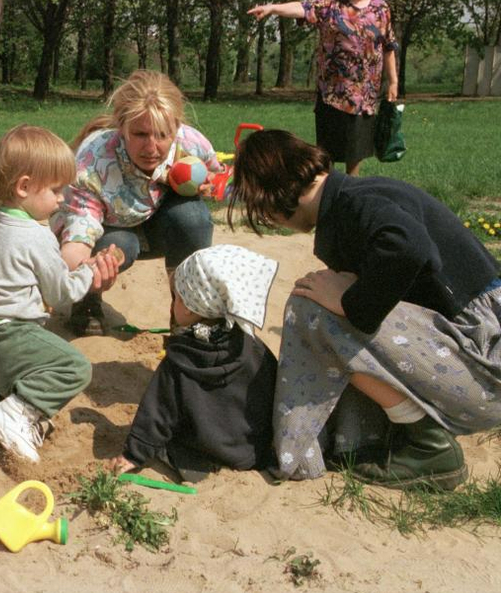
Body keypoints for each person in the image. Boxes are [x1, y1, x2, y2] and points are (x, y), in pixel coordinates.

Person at [229, 129, 501, 491]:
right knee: (329, 302)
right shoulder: (358, 196)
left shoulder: (356, 204)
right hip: (477, 363)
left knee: (312, 309)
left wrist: (349, 302)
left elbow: (410, 248)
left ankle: (429, 445)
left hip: (485, 373)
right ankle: (376, 434)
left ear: (273, 194)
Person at [0, 125, 119, 463]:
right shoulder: (36, 235)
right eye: (56, 190)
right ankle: (15, 418)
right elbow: (61, 294)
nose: (61, 199)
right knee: (75, 368)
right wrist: (89, 271)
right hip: (14, 334)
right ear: (24, 187)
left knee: (12, 391)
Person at [50, 70, 221, 336]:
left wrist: (211, 185)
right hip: (107, 233)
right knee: (122, 244)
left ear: (176, 127)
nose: (151, 148)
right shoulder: (92, 165)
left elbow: (220, 177)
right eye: (140, 134)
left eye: (162, 135)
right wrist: (80, 273)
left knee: (193, 217)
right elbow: (79, 238)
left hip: (154, 223)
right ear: (121, 127)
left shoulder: (191, 143)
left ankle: (186, 310)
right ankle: (85, 300)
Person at [108, 245, 279, 482]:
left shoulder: (180, 359)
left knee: (169, 441)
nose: (173, 304)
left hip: (200, 455)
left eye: (176, 298)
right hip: (249, 455)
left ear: (189, 309)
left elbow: (158, 412)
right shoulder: (254, 348)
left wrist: (134, 454)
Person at [248, 0, 399, 176]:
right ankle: (326, 188)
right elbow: (302, 8)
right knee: (326, 155)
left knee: (355, 156)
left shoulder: (381, 9)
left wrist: (393, 81)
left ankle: (351, 189)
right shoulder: (330, 5)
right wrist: (273, 8)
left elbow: (388, 46)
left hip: (363, 97)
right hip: (331, 94)